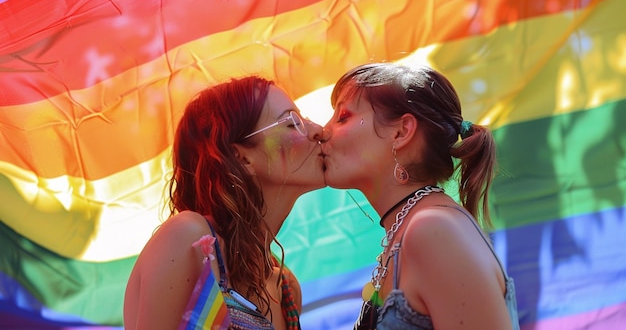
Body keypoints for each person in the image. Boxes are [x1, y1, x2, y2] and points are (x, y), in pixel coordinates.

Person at [321, 63, 520, 330]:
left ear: (401, 132)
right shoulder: (414, 228)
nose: (323, 130)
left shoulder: (433, 229)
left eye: (343, 116)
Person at [124, 76, 326, 330]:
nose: (318, 129)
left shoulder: (286, 287)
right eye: (291, 122)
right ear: (242, 158)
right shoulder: (190, 238)